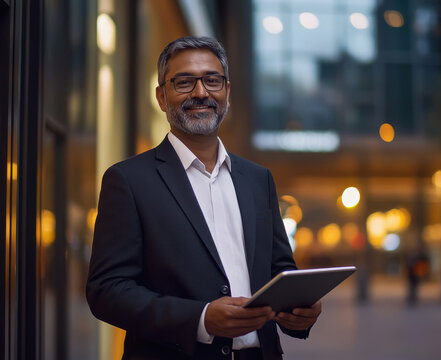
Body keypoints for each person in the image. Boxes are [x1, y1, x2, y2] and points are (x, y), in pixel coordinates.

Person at [86, 36, 321, 360]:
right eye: (184, 82)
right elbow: (106, 291)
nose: (200, 92)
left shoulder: (258, 179)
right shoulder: (128, 180)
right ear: (161, 96)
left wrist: (300, 313)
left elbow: (280, 271)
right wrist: (200, 319)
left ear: (227, 92)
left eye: (212, 80)